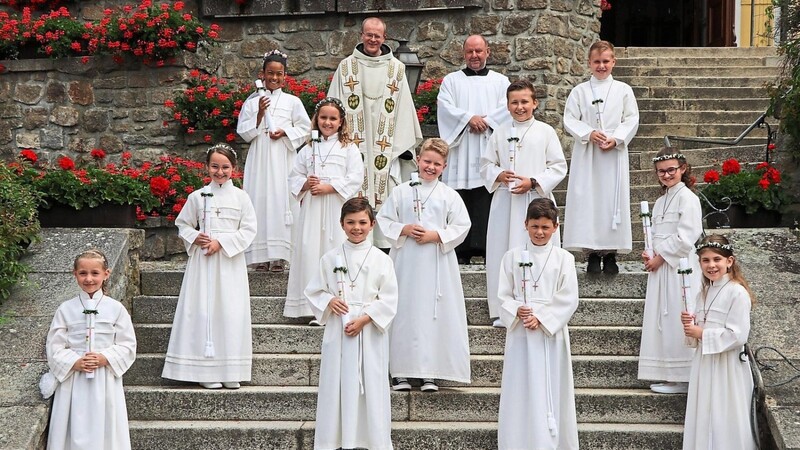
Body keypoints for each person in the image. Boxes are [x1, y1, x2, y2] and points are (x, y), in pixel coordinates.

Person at [377, 138, 472, 392]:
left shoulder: (448, 195)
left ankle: (430, 372)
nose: (430, 167)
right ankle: (400, 371)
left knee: (433, 314)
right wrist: (404, 228)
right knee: (404, 312)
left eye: (437, 164)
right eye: (427, 161)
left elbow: (462, 226)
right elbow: (384, 218)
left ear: (444, 166)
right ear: (418, 160)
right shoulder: (401, 191)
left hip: (437, 262)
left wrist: (437, 236)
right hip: (406, 261)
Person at [305, 197, 398, 450]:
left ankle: (373, 441)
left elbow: (389, 298)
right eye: (350, 222)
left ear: (372, 224)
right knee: (337, 384)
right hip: (340, 329)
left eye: (362, 222)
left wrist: (365, 319)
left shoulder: (382, 259)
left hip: (369, 332)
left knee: (371, 384)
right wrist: (329, 301)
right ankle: (334, 440)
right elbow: (314, 291)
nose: (356, 227)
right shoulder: (330, 258)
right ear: (341, 224)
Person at [162, 144, 257, 389]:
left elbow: (248, 230)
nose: (220, 171)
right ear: (207, 167)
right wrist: (196, 237)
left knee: (230, 312)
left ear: (234, 169)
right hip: (204, 263)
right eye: (215, 166)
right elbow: (183, 224)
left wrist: (222, 242)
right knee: (204, 311)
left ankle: (230, 369)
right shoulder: (197, 196)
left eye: (225, 167)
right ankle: (205, 371)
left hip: (229, 263)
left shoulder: (242, 198)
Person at [327, 17, 423, 248]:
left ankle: (383, 246)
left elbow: (403, 110)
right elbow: (333, 108)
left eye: (377, 35)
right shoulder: (346, 67)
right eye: (368, 34)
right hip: (354, 146)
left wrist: (403, 147)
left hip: (386, 147)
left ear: (384, 37)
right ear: (361, 35)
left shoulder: (397, 69)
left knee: (387, 192)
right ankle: (354, 243)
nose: (372, 39)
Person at [481, 79, 567, 328]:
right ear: (507, 105)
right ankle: (504, 311)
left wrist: (533, 181)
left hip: (535, 200)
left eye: (524, 102)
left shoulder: (545, 132)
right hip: (506, 203)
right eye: (514, 102)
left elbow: (559, 166)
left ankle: (543, 308)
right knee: (502, 251)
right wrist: (498, 174)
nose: (520, 107)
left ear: (534, 103)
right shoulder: (499, 132)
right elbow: (486, 164)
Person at [497, 198, 579, 450]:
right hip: (521, 332)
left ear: (556, 226)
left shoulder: (564, 258)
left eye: (545, 227)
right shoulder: (511, 257)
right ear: (525, 225)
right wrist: (517, 310)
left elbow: (569, 297)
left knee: (552, 387)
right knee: (520, 388)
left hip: (550, 334)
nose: (540, 232)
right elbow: (503, 295)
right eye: (534, 227)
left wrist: (542, 317)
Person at [44, 249, 137, 449]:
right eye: (83, 273)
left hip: (105, 378)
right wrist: (74, 362)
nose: (89, 279)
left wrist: (105, 358)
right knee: (72, 426)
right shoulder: (65, 309)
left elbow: (127, 344)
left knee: (106, 426)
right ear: (74, 274)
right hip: (73, 380)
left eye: (95, 273)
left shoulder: (116, 309)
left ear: (106, 274)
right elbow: (55, 345)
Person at [562, 40, 640, 274]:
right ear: (589, 63)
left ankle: (611, 254)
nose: (601, 66)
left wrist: (616, 138)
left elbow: (631, 118)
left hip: (613, 155)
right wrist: (589, 133)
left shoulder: (623, 90)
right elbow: (569, 118)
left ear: (613, 61)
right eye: (597, 61)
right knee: (589, 201)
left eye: (606, 61)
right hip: (588, 154)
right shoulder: (580, 91)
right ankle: (592, 254)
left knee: (610, 201)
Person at [284, 97, 364, 319]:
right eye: (323, 118)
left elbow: (356, 176)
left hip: (337, 207)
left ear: (340, 122)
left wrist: (330, 187)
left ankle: (339, 303)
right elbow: (294, 176)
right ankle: (310, 307)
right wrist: (305, 184)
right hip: (312, 208)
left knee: (335, 247)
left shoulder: (348, 148)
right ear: (316, 119)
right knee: (310, 250)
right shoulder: (307, 149)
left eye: (332, 118)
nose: (327, 122)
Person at [437, 34, 510, 264]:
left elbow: (508, 106)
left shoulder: (500, 82)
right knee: (462, 196)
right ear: (463, 53)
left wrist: (486, 122)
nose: (474, 56)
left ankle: (487, 247)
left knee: (486, 196)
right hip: (462, 146)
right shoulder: (451, 80)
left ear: (488, 52)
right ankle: (462, 249)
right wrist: (469, 118)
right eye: (470, 51)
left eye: (479, 51)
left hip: (489, 145)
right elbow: (445, 106)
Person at [681, 235, 757, 450]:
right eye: (706, 260)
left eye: (717, 259)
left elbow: (738, 335)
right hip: (704, 364)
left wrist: (701, 333)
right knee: (704, 412)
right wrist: (689, 326)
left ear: (729, 262)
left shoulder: (737, 292)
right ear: (699, 264)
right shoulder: (702, 293)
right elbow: (694, 335)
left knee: (725, 416)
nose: (711, 265)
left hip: (727, 367)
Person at [238, 49, 311, 272]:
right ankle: (259, 256)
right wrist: (260, 115)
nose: (274, 78)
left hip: (283, 156)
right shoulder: (252, 103)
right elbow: (243, 131)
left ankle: (280, 256)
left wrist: (285, 132)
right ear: (263, 74)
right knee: (259, 198)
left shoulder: (293, 102)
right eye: (270, 73)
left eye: (279, 74)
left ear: (285, 76)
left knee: (281, 200)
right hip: (260, 156)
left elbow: (306, 128)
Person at [638, 149, 703, 394]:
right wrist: (650, 252)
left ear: (682, 169)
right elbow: (654, 234)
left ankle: (684, 375)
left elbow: (688, 236)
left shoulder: (688, 198)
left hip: (680, 266)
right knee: (663, 319)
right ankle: (669, 373)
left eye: (671, 170)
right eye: (661, 171)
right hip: (661, 265)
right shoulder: (659, 201)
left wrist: (661, 256)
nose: (666, 175)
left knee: (679, 313)